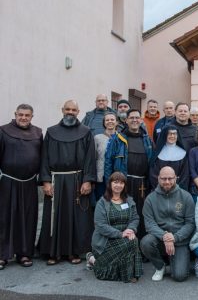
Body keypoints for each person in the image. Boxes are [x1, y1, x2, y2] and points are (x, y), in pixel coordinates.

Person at [39, 100, 96, 265]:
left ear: (78, 112)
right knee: (54, 217)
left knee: (76, 217)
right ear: (62, 110)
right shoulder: (51, 132)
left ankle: (74, 251)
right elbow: (44, 157)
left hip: (77, 180)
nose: (70, 112)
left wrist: (87, 180)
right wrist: (46, 180)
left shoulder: (86, 132)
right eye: (67, 109)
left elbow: (90, 158)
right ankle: (53, 252)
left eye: (73, 109)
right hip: (56, 179)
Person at [0, 104, 42, 270]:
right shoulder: (3, 131)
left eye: (27, 115)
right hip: (7, 182)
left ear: (32, 116)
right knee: (4, 218)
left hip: (30, 182)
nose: (23, 118)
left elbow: (42, 157)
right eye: (20, 115)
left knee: (28, 218)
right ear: (15, 114)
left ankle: (24, 253)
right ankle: (3, 255)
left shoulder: (38, 133)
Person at [104, 109, 153, 238]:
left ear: (141, 120)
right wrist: (109, 184)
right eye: (131, 118)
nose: (135, 120)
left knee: (141, 213)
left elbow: (152, 161)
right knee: (124, 213)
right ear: (126, 120)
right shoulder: (117, 138)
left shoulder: (147, 139)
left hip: (142, 185)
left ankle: (140, 245)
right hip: (123, 183)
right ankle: (124, 245)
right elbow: (108, 161)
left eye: (137, 117)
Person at [141, 166, 195, 282]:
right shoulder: (150, 199)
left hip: (180, 240)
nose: (167, 182)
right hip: (159, 239)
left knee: (180, 276)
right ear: (158, 179)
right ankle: (160, 266)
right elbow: (149, 224)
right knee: (146, 242)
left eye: (170, 178)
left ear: (176, 178)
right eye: (163, 178)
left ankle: (175, 261)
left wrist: (174, 238)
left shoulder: (186, 196)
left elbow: (190, 223)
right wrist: (164, 236)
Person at [87, 172, 142, 282]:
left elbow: (135, 218)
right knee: (132, 241)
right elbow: (100, 226)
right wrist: (120, 234)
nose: (118, 185)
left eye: (121, 183)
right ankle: (93, 260)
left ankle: (129, 273)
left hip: (125, 238)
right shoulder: (102, 203)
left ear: (124, 185)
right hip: (106, 241)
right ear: (110, 184)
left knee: (132, 239)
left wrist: (130, 229)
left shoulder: (129, 201)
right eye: (115, 182)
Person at [149, 125, 189, 191]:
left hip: (178, 191)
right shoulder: (157, 154)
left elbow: (184, 176)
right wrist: (162, 188)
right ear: (164, 135)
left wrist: (176, 190)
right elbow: (154, 175)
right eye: (170, 134)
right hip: (160, 191)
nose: (172, 136)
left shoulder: (183, 153)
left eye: (174, 134)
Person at [94, 112, 117, 201]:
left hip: (116, 177)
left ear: (116, 122)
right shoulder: (97, 138)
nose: (110, 121)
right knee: (101, 201)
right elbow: (94, 158)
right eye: (107, 120)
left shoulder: (121, 138)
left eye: (112, 119)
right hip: (101, 177)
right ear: (104, 123)